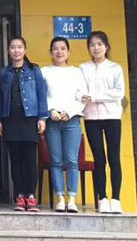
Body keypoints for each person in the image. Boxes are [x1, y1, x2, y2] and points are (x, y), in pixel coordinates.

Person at [0, 37, 47, 212]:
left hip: (29, 119)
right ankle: (20, 196)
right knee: (15, 160)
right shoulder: (4, 72)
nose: (16, 51)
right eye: (13, 47)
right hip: (10, 119)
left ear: (25, 50)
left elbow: (41, 94)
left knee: (30, 160)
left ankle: (31, 196)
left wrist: (42, 118)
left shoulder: (34, 70)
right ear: (8, 51)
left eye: (19, 47)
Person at [80, 31, 125, 214]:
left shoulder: (115, 68)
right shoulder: (83, 68)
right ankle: (102, 198)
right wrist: (86, 98)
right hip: (91, 118)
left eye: (99, 44)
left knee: (114, 158)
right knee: (99, 159)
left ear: (106, 47)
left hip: (112, 117)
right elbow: (81, 92)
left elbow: (119, 92)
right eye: (92, 45)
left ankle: (116, 199)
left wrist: (95, 97)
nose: (96, 48)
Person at [41, 37, 87, 213]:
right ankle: (60, 198)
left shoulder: (77, 72)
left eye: (62, 48)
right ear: (50, 52)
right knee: (56, 161)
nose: (59, 52)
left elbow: (82, 97)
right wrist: (51, 110)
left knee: (72, 161)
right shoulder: (45, 71)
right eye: (55, 48)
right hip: (52, 121)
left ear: (68, 52)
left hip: (72, 120)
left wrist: (70, 112)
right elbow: (42, 96)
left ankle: (72, 199)